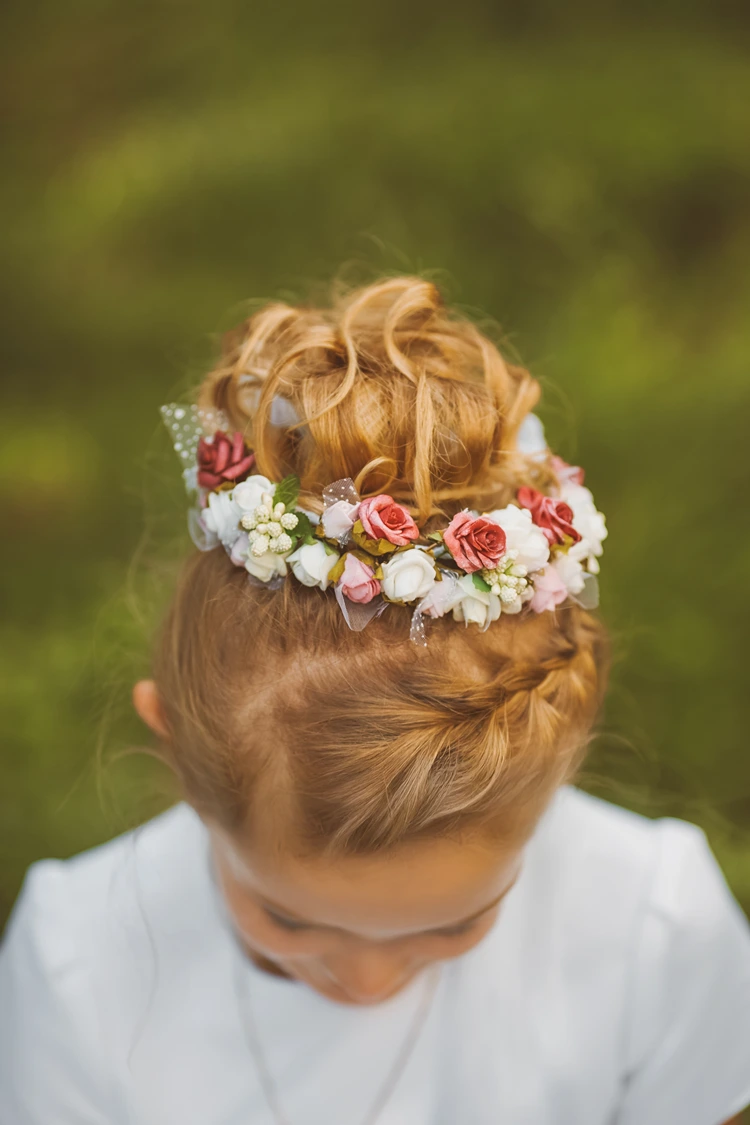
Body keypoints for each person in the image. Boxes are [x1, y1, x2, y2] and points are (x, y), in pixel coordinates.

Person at [1, 276, 748, 1125]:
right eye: (285, 920)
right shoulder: (77, 958)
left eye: (454, 927)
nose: (367, 984)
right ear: (173, 742)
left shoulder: (656, 929)